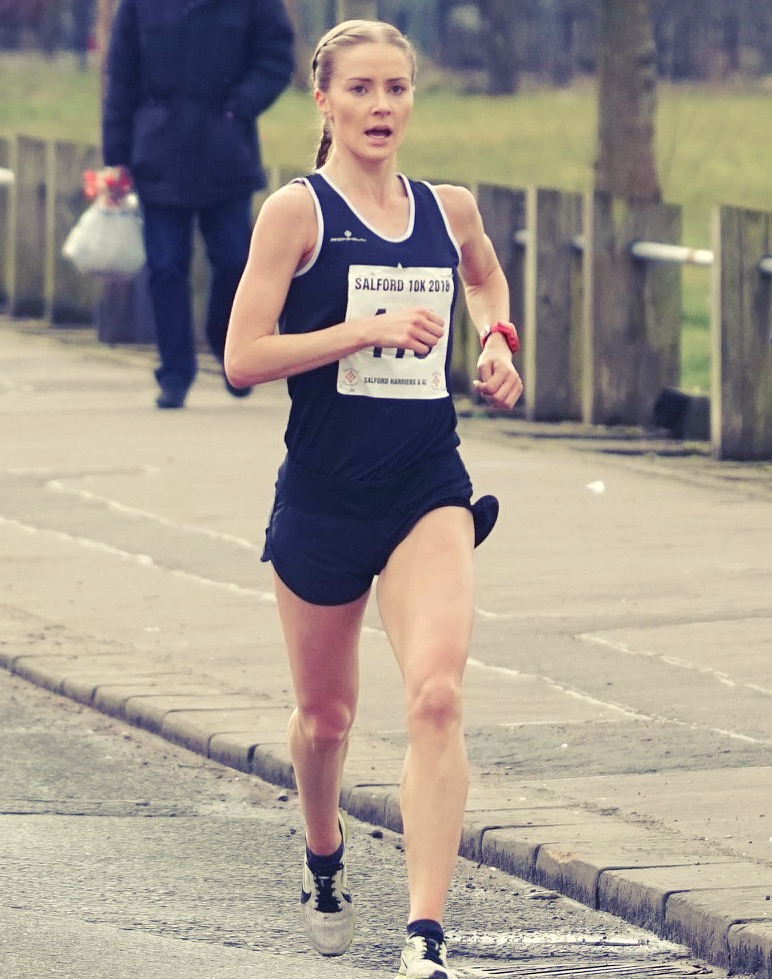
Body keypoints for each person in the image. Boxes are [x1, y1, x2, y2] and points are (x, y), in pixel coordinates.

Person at [224, 19, 523, 979]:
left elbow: (485, 275)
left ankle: (425, 936)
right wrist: (365, 330)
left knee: (436, 694)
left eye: (396, 88)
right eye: (360, 89)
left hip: (425, 484)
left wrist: (497, 339)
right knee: (326, 719)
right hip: (322, 497)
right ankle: (324, 855)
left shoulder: (448, 208)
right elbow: (242, 357)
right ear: (324, 101)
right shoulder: (296, 214)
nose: (381, 106)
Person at [102, 0, 295, 409]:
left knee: (234, 260)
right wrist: (116, 156)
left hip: (224, 151)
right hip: (157, 151)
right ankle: (174, 373)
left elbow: (277, 57)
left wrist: (239, 108)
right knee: (165, 267)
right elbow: (121, 75)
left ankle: (229, 346)